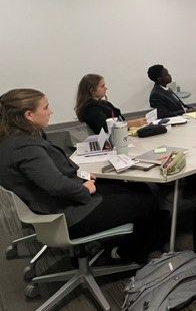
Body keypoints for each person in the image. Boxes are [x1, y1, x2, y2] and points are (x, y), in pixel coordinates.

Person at [0, 89, 169, 264]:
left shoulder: (12, 140)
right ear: (29, 115)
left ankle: (120, 242)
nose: (51, 112)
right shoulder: (25, 147)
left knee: (135, 187)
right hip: (67, 214)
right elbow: (56, 185)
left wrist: (83, 180)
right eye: (46, 108)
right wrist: (83, 189)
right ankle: (126, 253)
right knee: (149, 203)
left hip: (55, 204)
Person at [75, 74, 146, 134]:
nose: (106, 88)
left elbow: (119, 119)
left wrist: (132, 123)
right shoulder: (91, 109)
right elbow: (106, 128)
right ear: (92, 90)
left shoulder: (103, 103)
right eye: (102, 86)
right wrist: (130, 124)